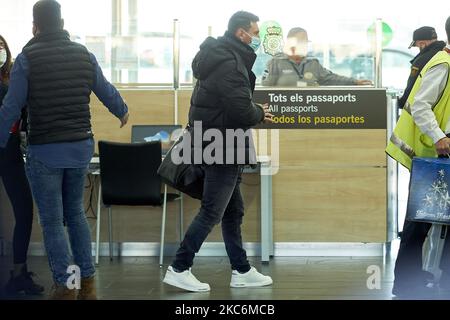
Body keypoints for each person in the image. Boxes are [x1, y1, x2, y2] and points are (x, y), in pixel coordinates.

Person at [0, 0, 129, 299]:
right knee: (76, 215)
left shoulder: (27, 57)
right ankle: (87, 284)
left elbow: (11, 106)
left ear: (35, 25)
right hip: (80, 147)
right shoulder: (83, 53)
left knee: (52, 221)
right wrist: (121, 110)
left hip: (45, 150)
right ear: (61, 22)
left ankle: (66, 285)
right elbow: (106, 89)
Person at [163, 11, 273, 292]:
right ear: (241, 33)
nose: (257, 38)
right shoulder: (229, 64)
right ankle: (180, 266)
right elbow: (241, 110)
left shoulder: (218, 56)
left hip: (218, 141)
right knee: (212, 210)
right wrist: (260, 112)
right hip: (223, 145)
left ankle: (241, 269)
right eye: (255, 32)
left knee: (233, 210)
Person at [386, 16, 450, 299]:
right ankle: (406, 282)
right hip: (434, 151)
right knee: (420, 221)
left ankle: (442, 281)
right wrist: (439, 137)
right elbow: (420, 104)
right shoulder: (442, 64)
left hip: (438, 150)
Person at [0, 35, 44, 296]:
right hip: (9, 151)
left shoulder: (13, 78)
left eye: (1, 47)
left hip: (11, 154)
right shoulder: (11, 84)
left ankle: (19, 271)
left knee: (25, 211)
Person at [261, 27, 372, 87]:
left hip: (311, 114)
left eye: (306, 42)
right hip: (284, 116)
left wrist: (355, 82)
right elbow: (265, 87)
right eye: (302, 42)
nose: (305, 45)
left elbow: (331, 78)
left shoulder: (312, 63)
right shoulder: (275, 62)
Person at [398, 26, 446, 108]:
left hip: (424, 108)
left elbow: (412, 85)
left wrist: (401, 102)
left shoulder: (421, 61)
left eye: (417, 46)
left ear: (422, 44)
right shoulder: (444, 53)